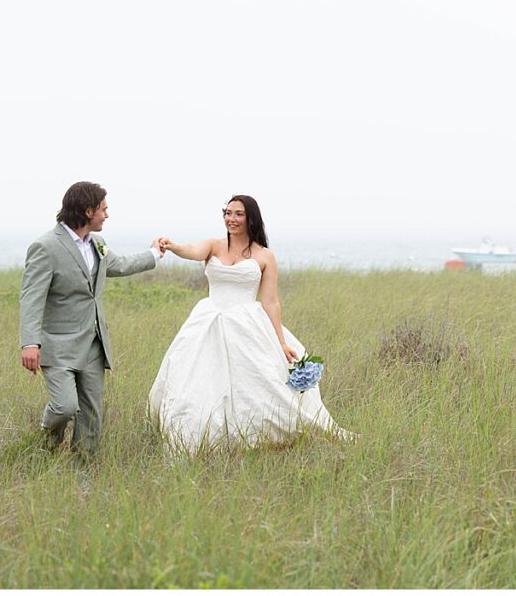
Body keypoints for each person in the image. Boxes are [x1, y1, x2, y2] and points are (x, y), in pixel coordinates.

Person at [149, 194, 352, 454]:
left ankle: (258, 437)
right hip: (209, 319)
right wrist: (173, 246)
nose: (231, 219)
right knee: (197, 381)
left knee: (258, 382)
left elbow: (271, 302)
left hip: (246, 325)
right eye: (228, 213)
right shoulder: (213, 245)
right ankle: (197, 435)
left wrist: (281, 342)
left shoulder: (265, 256)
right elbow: (193, 250)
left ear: (250, 218)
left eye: (238, 214)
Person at [20, 181, 165, 455]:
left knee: (91, 413)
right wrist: (30, 343)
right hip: (58, 345)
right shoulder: (45, 246)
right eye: (103, 209)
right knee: (64, 407)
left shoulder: (98, 243)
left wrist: (154, 254)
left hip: (93, 344)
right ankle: (43, 448)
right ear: (88, 211)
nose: (107, 215)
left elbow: (119, 265)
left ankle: (82, 472)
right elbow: (31, 297)